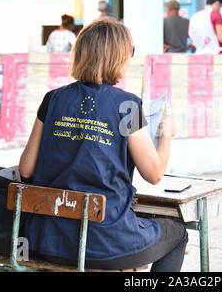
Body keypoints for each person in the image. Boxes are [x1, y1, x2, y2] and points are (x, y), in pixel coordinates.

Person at [19, 18, 188, 272]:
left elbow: (26, 168)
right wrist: (166, 134)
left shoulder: (53, 99)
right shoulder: (128, 106)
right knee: (177, 234)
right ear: (118, 57)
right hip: (104, 245)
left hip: (44, 240)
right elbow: (154, 174)